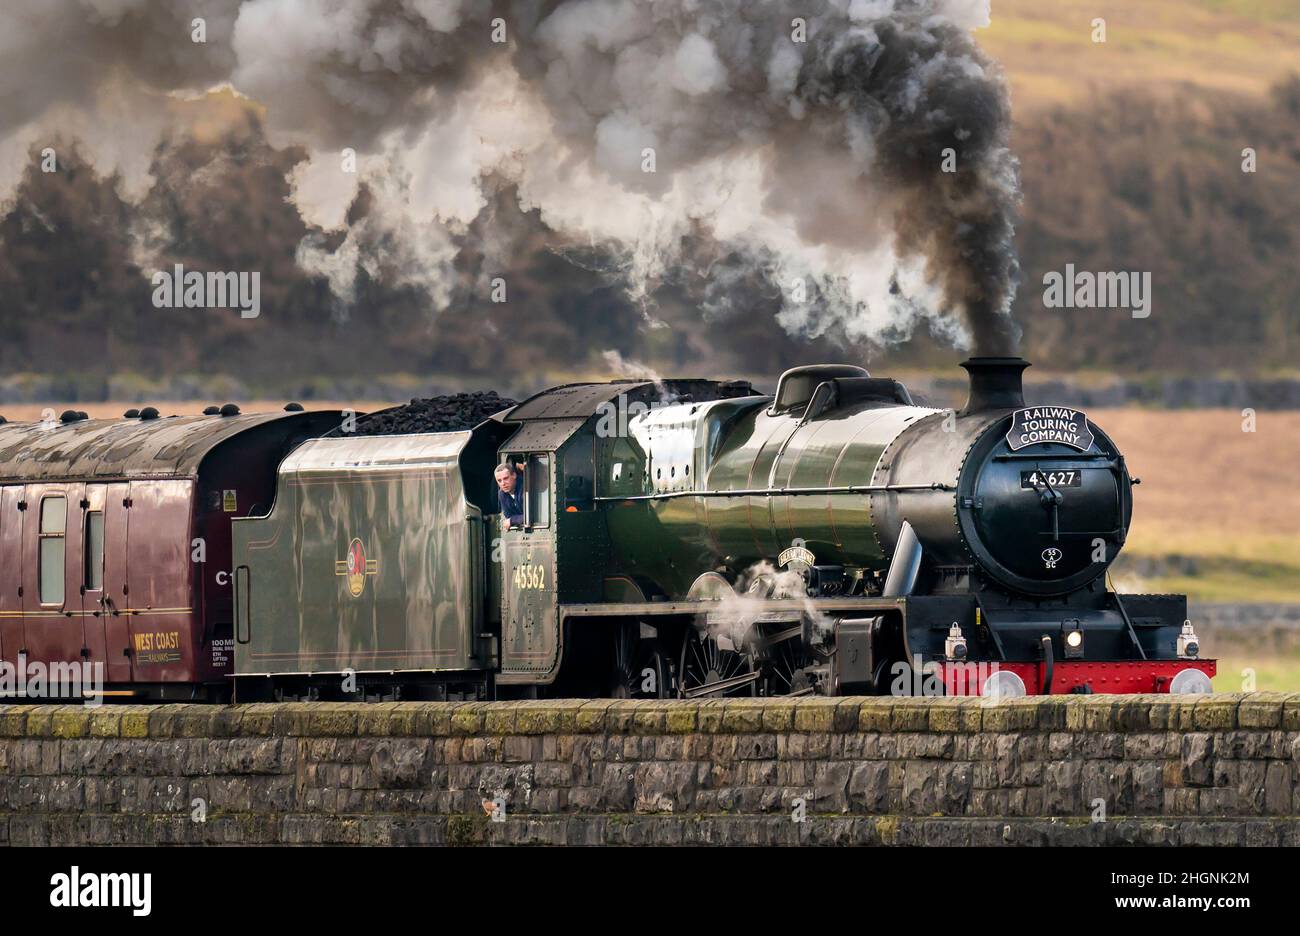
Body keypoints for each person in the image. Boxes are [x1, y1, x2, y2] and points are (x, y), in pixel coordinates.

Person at [495, 461, 525, 528]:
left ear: (514, 475)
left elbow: (533, 516)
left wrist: (512, 520)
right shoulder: (501, 494)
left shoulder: (526, 488)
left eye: (505, 478)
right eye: (499, 481)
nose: (503, 483)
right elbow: (508, 516)